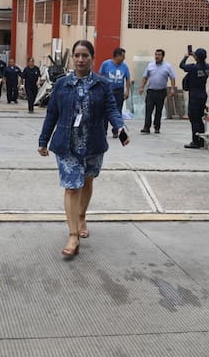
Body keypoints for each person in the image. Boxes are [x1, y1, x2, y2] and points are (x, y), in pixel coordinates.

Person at [38, 40, 128, 259]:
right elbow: (52, 113)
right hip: (67, 144)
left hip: (93, 143)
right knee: (71, 187)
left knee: (87, 181)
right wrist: (43, 140)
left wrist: (120, 127)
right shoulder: (61, 84)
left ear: (92, 58)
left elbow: (111, 109)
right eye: (77, 55)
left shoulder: (102, 84)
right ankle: (72, 235)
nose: (80, 59)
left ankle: (81, 216)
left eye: (85, 55)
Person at [139, 49, 177, 134]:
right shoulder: (150, 65)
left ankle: (157, 127)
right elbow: (145, 77)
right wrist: (141, 87)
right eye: (156, 54)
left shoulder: (167, 66)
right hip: (151, 91)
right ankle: (146, 127)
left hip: (161, 92)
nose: (157, 56)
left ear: (163, 56)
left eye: (159, 55)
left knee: (158, 110)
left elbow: (172, 78)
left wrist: (172, 89)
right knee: (148, 109)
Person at [179, 48, 209, 149]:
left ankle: (195, 141)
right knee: (199, 118)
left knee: (193, 118)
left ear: (196, 57)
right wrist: (195, 56)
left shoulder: (193, 68)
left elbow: (181, 65)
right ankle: (200, 139)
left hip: (194, 95)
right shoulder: (207, 67)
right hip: (203, 94)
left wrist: (186, 56)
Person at [99, 47, 131, 138]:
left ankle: (116, 131)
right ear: (117, 56)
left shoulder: (124, 66)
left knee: (117, 111)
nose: (124, 58)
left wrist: (127, 91)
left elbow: (128, 78)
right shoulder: (106, 64)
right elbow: (100, 76)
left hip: (119, 91)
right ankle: (103, 131)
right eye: (123, 56)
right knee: (105, 112)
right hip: (107, 91)